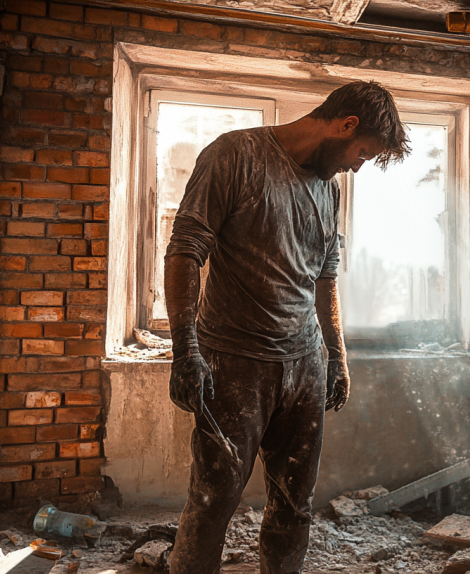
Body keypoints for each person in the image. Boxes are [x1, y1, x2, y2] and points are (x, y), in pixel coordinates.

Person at [163, 80, 409, 574]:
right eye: (360, 154)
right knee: (214, 499)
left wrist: (336, 357)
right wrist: (186, 349)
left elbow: (325, 278)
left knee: (296, 502)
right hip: (234, 362)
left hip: (305, 365)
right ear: (345, 126)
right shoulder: (235, 156)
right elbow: (186, 249)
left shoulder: (329, 190)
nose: (355, 166)